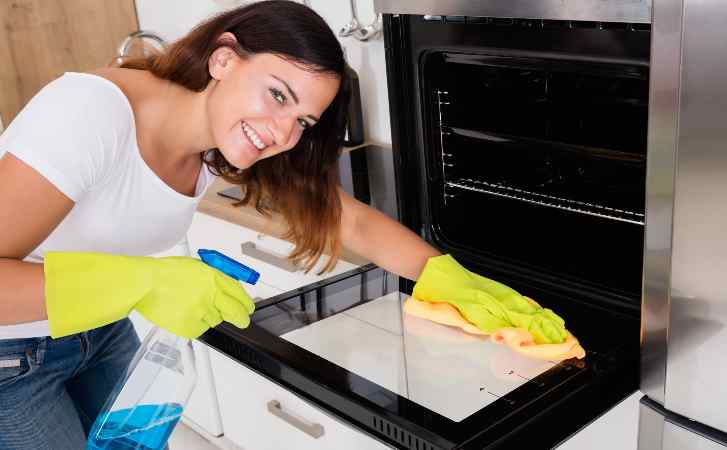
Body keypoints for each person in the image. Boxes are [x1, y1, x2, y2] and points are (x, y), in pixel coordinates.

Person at [0, 2, 441, 448]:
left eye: (303, 121)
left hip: (100, 328)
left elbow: (350, 221)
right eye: (278, 94)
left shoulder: (218, 138)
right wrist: (142, 283)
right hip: (10, 356)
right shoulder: (89, 113)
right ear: (223, 59)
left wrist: (442, 275)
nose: (282, 134)